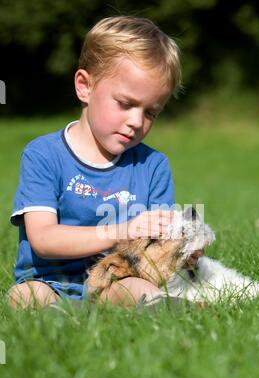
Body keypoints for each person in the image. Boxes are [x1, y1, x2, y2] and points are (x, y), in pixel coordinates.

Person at [8, 16, 183, 309]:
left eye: (151, 112)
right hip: (48, 281)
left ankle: (165, 313)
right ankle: (59, 328)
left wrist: (180, 252)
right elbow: (43, 238)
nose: (136, 122)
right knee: (24, 297)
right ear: (84, 86)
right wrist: (123, 230)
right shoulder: (43, 155)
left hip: (114, 282)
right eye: (125, 104)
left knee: (141, 291)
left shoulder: (153, 166)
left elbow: (155, 250)